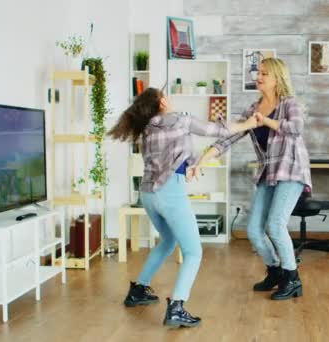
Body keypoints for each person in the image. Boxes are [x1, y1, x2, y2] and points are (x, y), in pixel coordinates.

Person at [107, 87, 257, 327]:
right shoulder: (181, 120)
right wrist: (248, 123)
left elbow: (169, 156)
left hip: (147, 194)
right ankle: (177, 306)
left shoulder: (146, 129)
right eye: (168, 95)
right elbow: (216, 130)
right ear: (163, 102)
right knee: (193, 252)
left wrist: (190, 163)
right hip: (170, 193)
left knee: (167, 240)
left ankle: (138, 290)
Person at [193, 58, 312, 300]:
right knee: (254, 231)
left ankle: (292, 279)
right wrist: (202, 160)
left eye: (264, 73)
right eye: (258, 73)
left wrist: (265, 120)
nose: (258, 77)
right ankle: (276, 271)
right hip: (268, 172)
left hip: (290, 170)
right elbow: (229, 137)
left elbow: (296, 128)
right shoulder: (253, 108)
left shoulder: (290, 103)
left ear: (277, 77)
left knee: (275, 225)